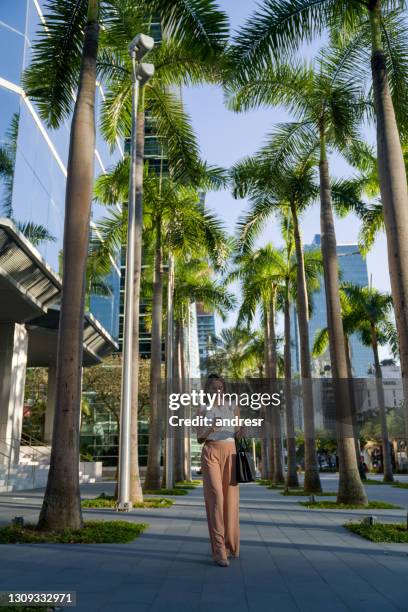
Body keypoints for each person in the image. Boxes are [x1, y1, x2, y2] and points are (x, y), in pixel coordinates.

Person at [196, 374, 240, 567]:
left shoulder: (233, 406)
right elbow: (198, 437)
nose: (217, 390)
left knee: (230, 500)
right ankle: (219, 550)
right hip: (211, 451)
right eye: (214, 388)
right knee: (216, 498)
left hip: (230, 452)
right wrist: (210, 429)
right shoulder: (203, 408)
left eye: (220, 387)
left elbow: (237, 433)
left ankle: (230, 546)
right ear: (208, 390)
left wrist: (240, 429)